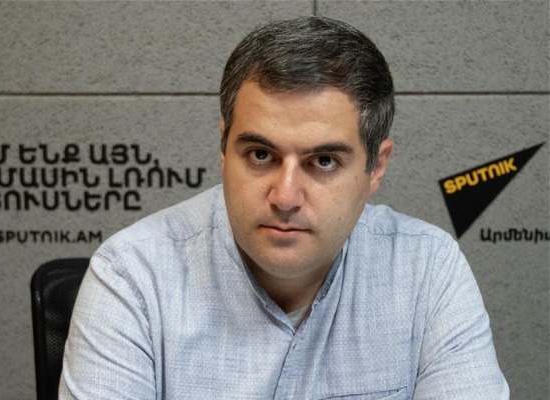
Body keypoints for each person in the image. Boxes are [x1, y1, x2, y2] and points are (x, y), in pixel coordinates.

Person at [59, 16, 509, 399]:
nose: (285, 197)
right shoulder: (132, 275)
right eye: (260, 155)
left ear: (375, 167)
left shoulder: (428, 269)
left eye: (324, 161)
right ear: (223, 149)